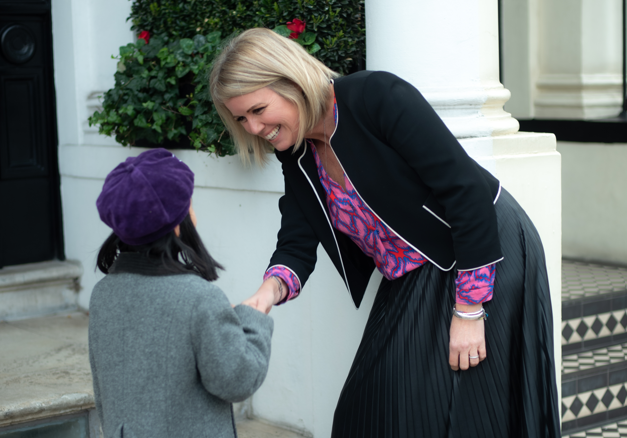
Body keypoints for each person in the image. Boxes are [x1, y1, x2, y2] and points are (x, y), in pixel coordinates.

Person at [210, 28, 560, 438]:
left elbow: (465, 192)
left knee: (471, 409)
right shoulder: (297, 152)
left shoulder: (375, 96)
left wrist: (469, 311)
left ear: (290, 81)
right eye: (241, 119)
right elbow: (298, 236)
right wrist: (266, 294)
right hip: (411, 273)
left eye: (258, 109)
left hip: (479, 249)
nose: (253, 127)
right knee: (368, 411)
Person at [88, 148, 273, 438]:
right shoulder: (198, 298)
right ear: (177, 224)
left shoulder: (103, 292)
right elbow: (236, 379)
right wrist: (252, 320)